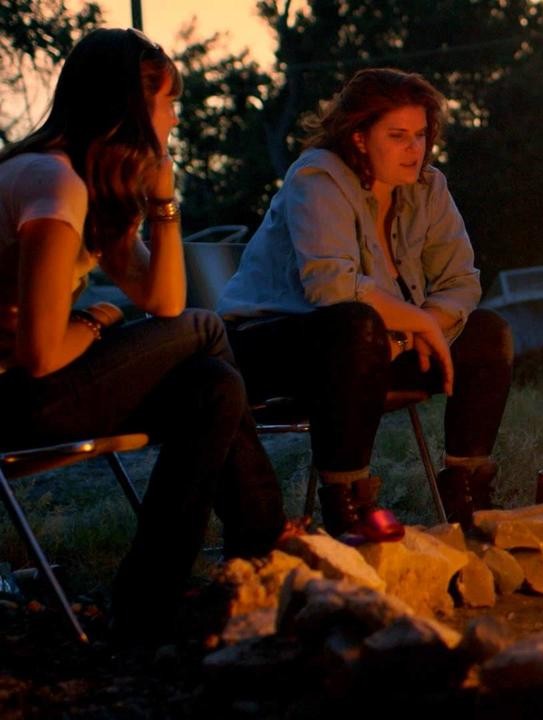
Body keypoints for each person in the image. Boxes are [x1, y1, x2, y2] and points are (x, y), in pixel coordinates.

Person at [0, 28, 286, 637]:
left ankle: (148, 604)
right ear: (130, 106)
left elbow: (163, 298)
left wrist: (164, 202)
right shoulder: (53, 184)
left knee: (213, 385)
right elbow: (43, 352)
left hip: (29, 390)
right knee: (207, 331)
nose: (176, 116)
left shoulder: (83, 186)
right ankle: (265, 544)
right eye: (169, 101)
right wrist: (94, 320)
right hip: (13, 399)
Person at [218, 68, 513, 540]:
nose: (413, 149)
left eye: (420, 135)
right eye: (397, 136)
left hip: (374, 347)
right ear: (358, 137)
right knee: (355, 325)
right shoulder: (316, 176)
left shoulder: (428, 188)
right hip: (269, 346)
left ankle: (469, 496)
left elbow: (461, 280)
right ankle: (349, 502)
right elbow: (331, 286)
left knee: (487, 332)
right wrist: (414, 322)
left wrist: (424, 325)